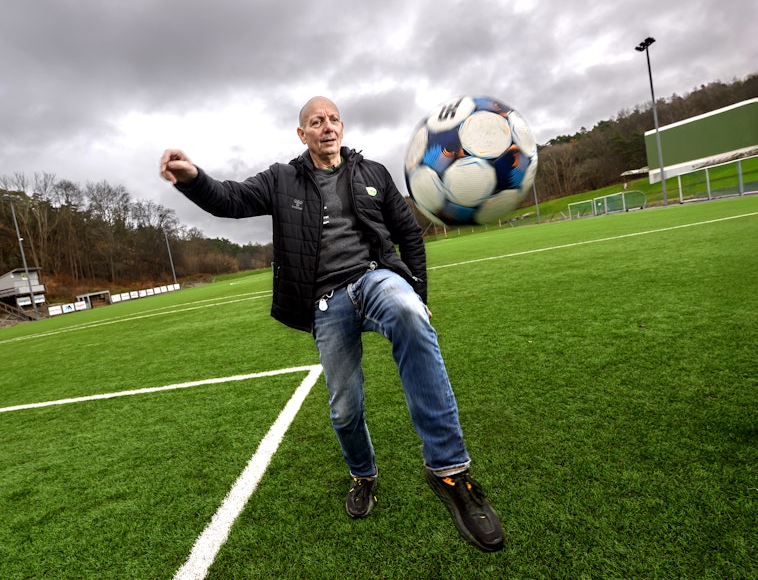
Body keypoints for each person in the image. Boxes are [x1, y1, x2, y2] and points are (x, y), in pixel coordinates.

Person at [159, 96, 505, 552]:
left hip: (375, 278)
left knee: (408, 314)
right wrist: (193, 178)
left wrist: (418, 296)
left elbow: (407, 236)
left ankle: (449, 472)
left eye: (333, 119)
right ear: (302, 135)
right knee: (345, 406)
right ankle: (363, 475)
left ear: (343, 127)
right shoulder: (281, 179)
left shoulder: (373, 173)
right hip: (326, 301)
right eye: (315, 121)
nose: (327, 126)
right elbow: (230, 200)